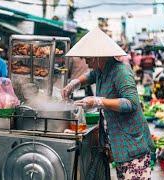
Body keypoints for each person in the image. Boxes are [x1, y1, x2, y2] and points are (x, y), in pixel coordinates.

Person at [63, 27, 154, 180]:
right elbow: (90, 75)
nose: (86, 62)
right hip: (118, 144)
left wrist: (98, 101)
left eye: (89, 58)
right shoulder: (101, 69)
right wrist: (74, 83)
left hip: (132, 144)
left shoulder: (121, 72)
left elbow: (131, 103)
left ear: (100, 56)